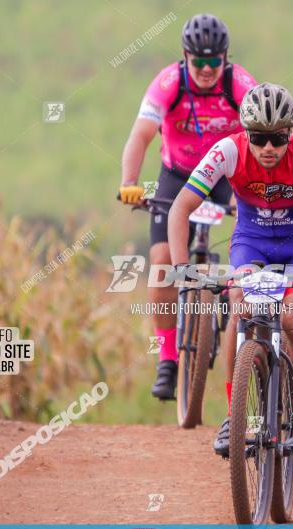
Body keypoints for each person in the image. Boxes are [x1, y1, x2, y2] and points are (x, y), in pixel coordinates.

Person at [168, 82, 293, 463]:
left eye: (277, 138)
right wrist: (180, 267)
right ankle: (233, 416)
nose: (269, 148)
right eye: (259, 138)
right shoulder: (227, 151)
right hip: (251, 243)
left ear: (289, 135)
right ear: (246, 134)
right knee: (240, 306)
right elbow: (181, 208)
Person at [117, 13, 257, 400]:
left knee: (247, 243)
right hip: (178, 175)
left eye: (216, 62)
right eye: (200, 62)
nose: (209, 69)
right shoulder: (168, 83)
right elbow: (141, 135)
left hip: (226, 173)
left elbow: (265, 131)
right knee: (162, 261)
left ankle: (232, 299)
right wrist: (130, 182)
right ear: (185, 57)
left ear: (226, 58)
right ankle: (167, 358)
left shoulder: (241, 84)